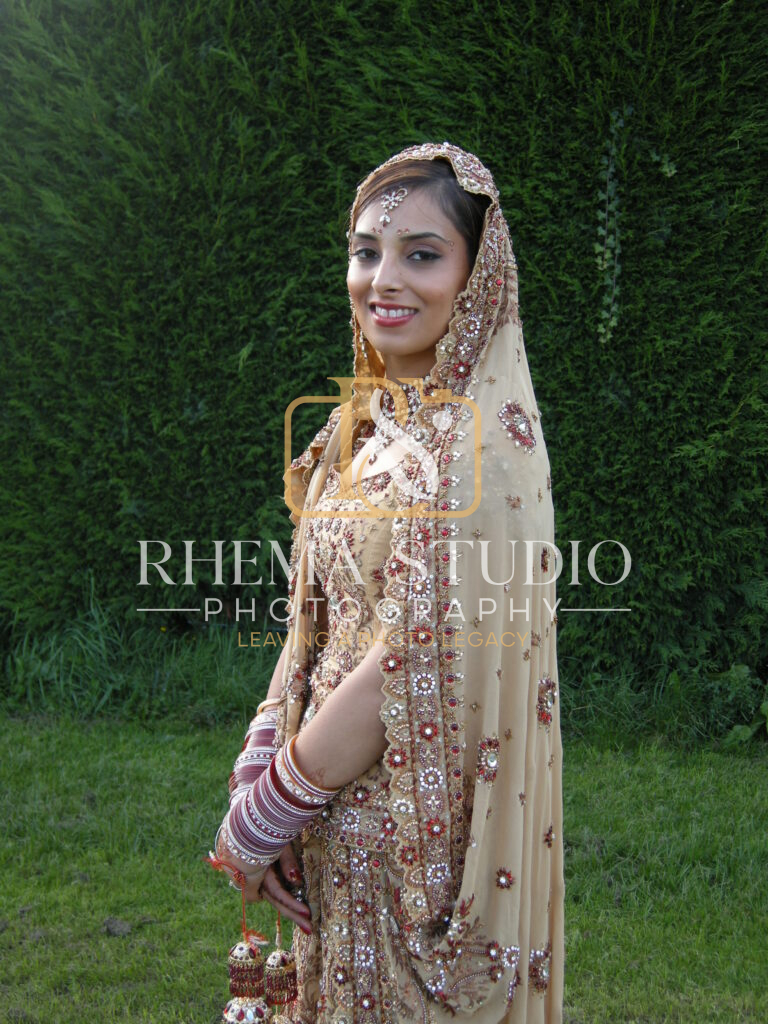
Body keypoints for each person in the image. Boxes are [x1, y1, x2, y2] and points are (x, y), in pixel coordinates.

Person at [215, 142, 564, 1023]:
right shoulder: (361, 423)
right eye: (367, 250)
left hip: (415, 858)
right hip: (329, 826)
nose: (384, 279)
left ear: (476, 277)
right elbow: (318, 619)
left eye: (422, 253)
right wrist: (265, 755)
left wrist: (271, 809)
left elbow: (413, 657)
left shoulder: (481, 450)